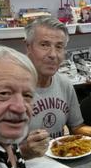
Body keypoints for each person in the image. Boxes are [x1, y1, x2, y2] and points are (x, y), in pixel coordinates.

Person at [19, 16, 84, 159]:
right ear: (28, 46)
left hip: (60, 165)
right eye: (44, 45)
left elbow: (77, 129)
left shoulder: (64, 84)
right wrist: (23, 151)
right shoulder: (10, 90)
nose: (53, 54)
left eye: (59, 47)